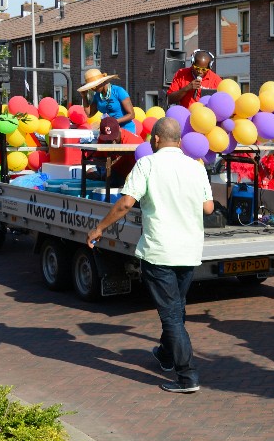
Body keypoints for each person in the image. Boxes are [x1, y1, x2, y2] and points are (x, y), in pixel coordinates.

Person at [87, 117, 214, 393]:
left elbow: (125, 203)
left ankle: (187, 376)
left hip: (159, 252)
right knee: (176, 309)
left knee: (171, 315)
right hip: (189, 252)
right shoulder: (196, 167)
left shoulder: (147, 164)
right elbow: (208, 208)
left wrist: (99, 228)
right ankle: (166, 356)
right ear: (180, 141)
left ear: (155, 139)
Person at [79, 68, 135, 133]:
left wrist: (113, 122)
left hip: (125, 129)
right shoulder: (97, 95)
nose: (93, 88)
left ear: (102, 82)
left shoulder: (118, 91)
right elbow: (89, 114)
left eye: (95, 85)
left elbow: (131, 115)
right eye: (91, 87)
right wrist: (84, 96)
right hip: (109, 130)